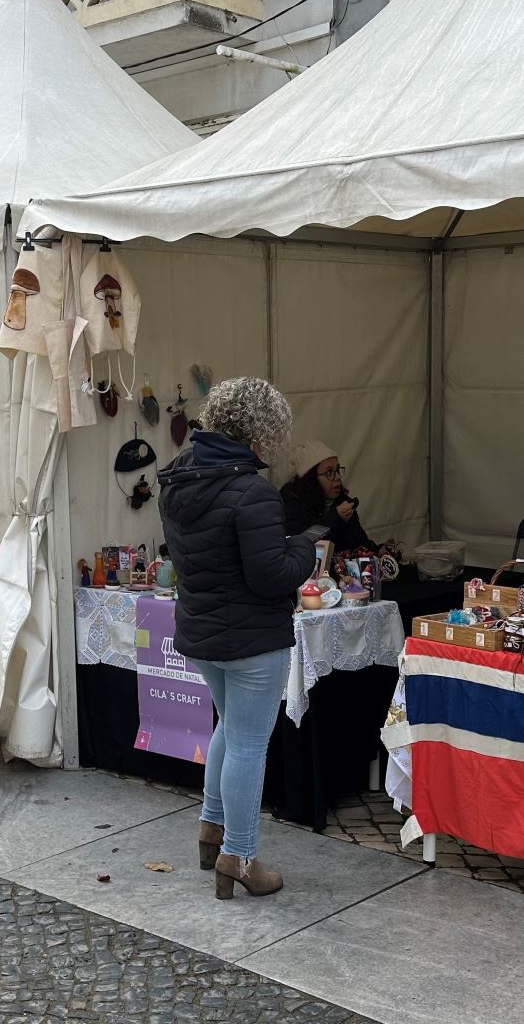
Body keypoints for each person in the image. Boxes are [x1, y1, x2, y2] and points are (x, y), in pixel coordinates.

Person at [159, 377, 324, 900]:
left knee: (229, 730)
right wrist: (303, 546)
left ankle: (212, 831)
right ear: (261, 431)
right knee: (249, 744)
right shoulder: (251, 490)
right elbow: (271, 575)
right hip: (252, 637)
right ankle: (240, 856)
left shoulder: (180, 476)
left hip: (203, 628)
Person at [280, 440, 372, 553]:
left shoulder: (342, 503)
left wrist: (380, 551)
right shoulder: (290, 504)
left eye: (337, 470)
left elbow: (360, 543)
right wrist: (335, 518)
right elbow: (301, 544)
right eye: (329, 472)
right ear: (311, 479)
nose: (337, 477)